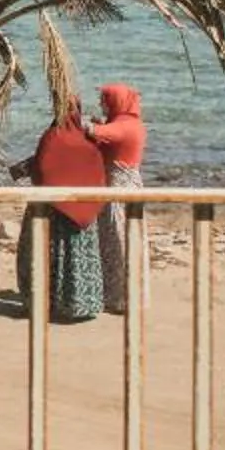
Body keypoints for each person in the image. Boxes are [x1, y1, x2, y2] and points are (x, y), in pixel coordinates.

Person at [16, 96, 107, 324]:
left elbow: (42, 167)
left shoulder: (52, 136)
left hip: (49, 210)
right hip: (82, 213)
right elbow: (96, 173)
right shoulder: (87, 141)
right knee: (77, 257)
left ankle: (42, 302)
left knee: (46, 254)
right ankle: (82, 303)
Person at [90, 81, 148, 315]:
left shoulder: (125, 126)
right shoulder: (129, 123)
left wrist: (76, 118)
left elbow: (95, 133)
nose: (101, 104)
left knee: (118, 239)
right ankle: (122, 294)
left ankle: (120, 297)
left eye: (104, 100)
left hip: (119, 188)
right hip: (124, 186)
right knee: (121, 238)